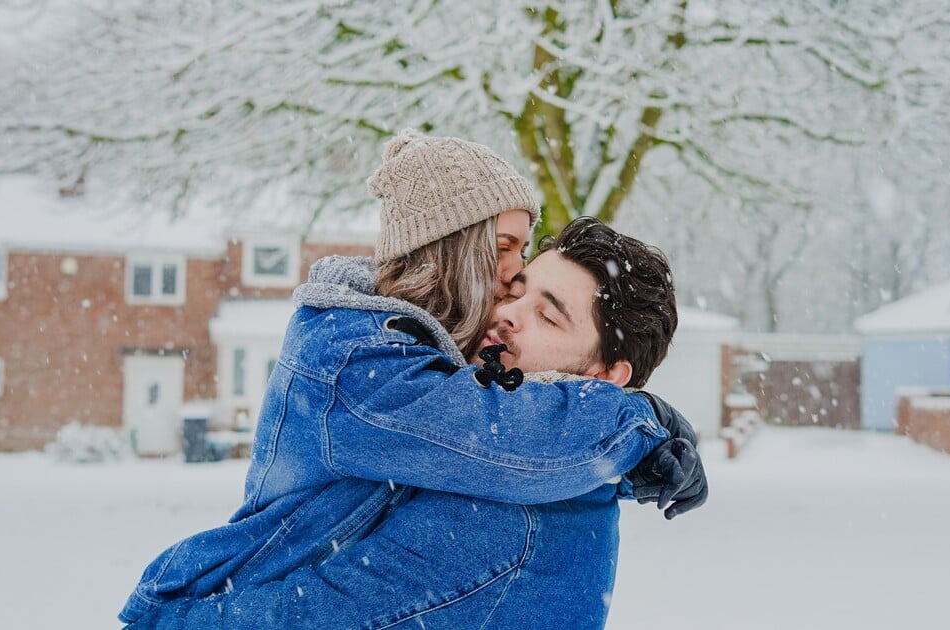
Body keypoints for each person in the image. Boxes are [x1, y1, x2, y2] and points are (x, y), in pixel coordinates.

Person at [119, 131, 704, 626]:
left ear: (605, 376)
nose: (506, 302)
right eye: (508, 266)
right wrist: (641, 421)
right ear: (453, 255)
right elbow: (494, 433)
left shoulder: (513, 514)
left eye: (547, 315)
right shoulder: (364, 364)